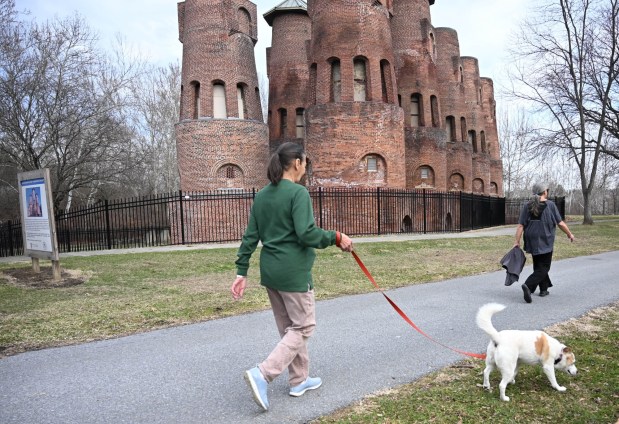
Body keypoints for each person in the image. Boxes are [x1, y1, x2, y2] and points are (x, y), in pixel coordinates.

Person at [230, 142, 353, 411]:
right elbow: (307, 234)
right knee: (304, 327)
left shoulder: (262, 195)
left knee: (291, 329)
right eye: (305, 162)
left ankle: (299, 380)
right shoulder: (298, 193)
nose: (305, 167)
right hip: (293, 272)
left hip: (271, 272)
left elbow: (250, 237)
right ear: (296, 163)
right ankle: (262, 374)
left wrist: (241, 271)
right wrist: (336, 237)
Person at [513, 182, 574, 303]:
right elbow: (560, 223)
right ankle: (528, 285)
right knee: (544, 267)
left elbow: (521, 225)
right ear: (545, 192)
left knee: (539, 264)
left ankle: (543, 289)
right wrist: (569, 234)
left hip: (531, 238)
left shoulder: (527, 205)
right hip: (545, 238)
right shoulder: (550, 205)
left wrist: (517, 241)